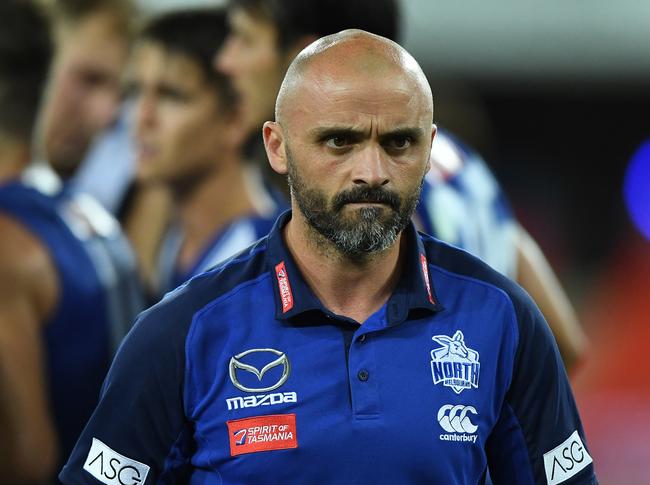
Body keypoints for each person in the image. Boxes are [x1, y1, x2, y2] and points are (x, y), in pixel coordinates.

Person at [60, 30, 596, 485]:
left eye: (400, 143)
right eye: (340, 141)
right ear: (276, 147)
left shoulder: (502, 317)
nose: (372, 171)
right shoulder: (182, 332)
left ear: (430, 147)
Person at [216, 0, 586, 370]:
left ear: (306, 54)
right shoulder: (454, 159)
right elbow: (565, 344)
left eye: (245, 40)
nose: (225, 63)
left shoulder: (360, 198)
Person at [0, 0, 143, 484]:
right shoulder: (90, 217)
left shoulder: (10, 242)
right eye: (87, 79)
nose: (108, 117)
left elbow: (27, 461)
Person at [127, 10, 283, 297]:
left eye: (171, 95)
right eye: (136, 91)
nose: (142, 116)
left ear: (234, 119)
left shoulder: (269, 259)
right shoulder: (172, 240)